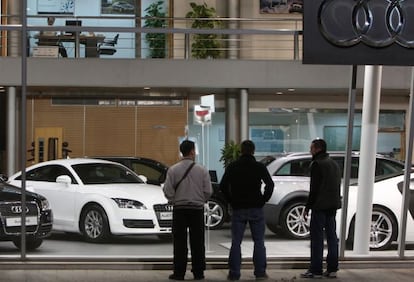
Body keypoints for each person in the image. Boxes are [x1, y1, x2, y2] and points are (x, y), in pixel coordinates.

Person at [219, 140, 274, 281]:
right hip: (256, 207)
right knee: (259, 242)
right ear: (253, 151)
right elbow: (270, 184)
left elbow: (223, 186)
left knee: (236, 242)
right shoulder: (259, 166)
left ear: (241, 151)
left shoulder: (233, 166)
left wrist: (231, 200)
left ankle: (234, 273)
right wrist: (263, 199)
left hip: (238, 208)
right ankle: (260, 273)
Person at [163, 140, 213, 281]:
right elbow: (208, 191)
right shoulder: (202, 170)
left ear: (181, 152)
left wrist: (175, 199)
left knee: (179, 243)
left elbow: (167, 191)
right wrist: (200, 200)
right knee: (198, 242)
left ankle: (179, 273)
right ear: (191, 151)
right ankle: (198, 273)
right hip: (197, 210)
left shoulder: (173, 170)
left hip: (179, 210)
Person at [301, 138, 341, 279]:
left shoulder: (317, 164)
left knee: (317, 238)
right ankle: (332, 269)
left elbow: (315, 189)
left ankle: (316, 270)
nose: (310, 150)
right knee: (331, 237)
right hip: (333, 205)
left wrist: (307, 207)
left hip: (320, 206)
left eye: (311, 148)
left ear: (317, 149)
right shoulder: (334, 164)